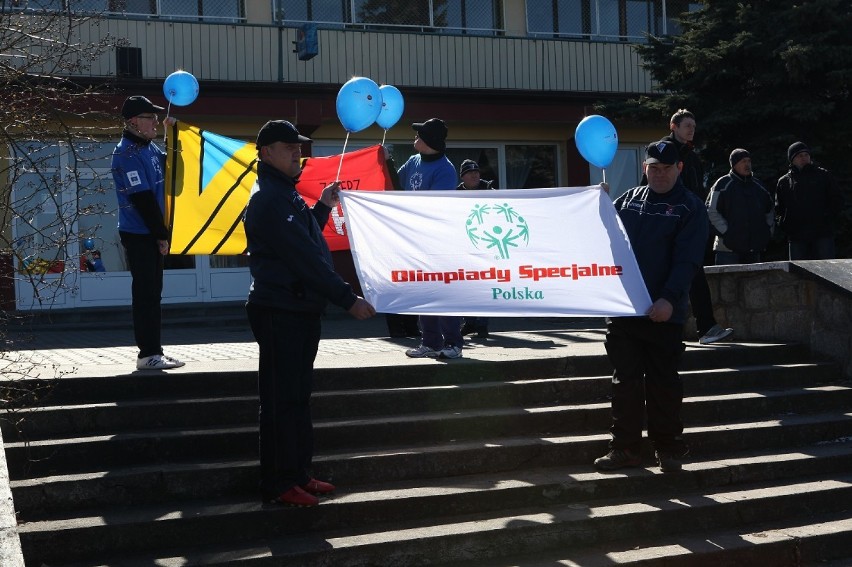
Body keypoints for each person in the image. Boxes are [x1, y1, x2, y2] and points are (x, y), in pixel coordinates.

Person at [244, 119, 376, 507]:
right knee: (280, 401)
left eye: (298, 146)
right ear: (266, 152)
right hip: (279, 310)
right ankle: (279, 483)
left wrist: (323, 206)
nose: (297, 153)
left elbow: (306, 239)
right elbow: (304, 259)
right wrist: (347, 298)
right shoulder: (268, 197)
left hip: (297, 309)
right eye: (288, 147)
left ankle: (299, 474)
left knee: (297, 398)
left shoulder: (285, 193)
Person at [595, 140, 709, 474]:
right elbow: (602, 235)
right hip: (625, 312)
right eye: (653, 168)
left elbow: (687, 260)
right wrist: (598, 203)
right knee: (625, 383)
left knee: (664, 384)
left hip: (663, 315)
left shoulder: (690, 207)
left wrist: (668, 299)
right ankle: (625, 449)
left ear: (679, 169)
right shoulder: (628, 201)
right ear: (645, 168)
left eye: (666, 168)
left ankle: (668, 448)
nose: (659, 174)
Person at [644, 109, 732, 345]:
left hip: (690, 223)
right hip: (667, 223)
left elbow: (698, 191)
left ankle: (706, 327)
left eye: (694, 125)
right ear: (673, 126)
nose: (692, 129)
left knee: (694, 273)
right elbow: (649, 187)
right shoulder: (662, 151)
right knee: (677, 275)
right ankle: (694, 327)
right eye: (687, 125)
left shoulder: (691, 156)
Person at [112, 95, 185, 370]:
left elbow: (176, 167)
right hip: (138, 233)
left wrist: (173, 134)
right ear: (133, 122)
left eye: (155, 117)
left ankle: (155, 352)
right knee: (146, 295)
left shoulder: (149, 148)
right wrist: (161, 235)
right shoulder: (125, 153)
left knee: (154, 294)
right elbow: (143, 199)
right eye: (149, 117)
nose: (155, 121)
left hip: (150, 232)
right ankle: (148, 355)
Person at [392, 118, 464, 359]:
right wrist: (384, 161)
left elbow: (433, 207)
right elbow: (394, 183)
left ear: (430, 140)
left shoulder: (446, 169)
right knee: (424, 291)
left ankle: (453, 343)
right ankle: (431, 342)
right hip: (417, 240)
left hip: (439, 240)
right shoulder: (414, 160)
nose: (414, 137)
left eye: (419, 134)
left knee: (442, 291)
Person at [776, 142, 844, 260]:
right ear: (792, 159)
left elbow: (836, 200)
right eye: (799, 156)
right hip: (797, 236)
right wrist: (786, 225)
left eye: (806, 155)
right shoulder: (784, 182)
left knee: (827, 271)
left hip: (822, 234)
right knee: (798, 273)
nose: (804, 158)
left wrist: (826, 218)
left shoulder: (823, 175)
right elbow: (779, 208)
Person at [706, 149, 774, 265]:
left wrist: (765, 233)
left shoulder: (759, 187)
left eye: (749, 161)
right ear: (734, 164)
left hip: (753, 250)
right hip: (727, 250)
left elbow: (770, 212)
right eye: (743, 161)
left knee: (752, 283)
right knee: (728, 283)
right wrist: (727, 232)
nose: (747, 164)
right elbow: (711, 211)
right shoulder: (722, 184)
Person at [456, 158, 494, 338]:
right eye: (470, 172)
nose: (475, 175)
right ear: (463, 177)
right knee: (465, 286)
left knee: (484, 286)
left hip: (486, 246)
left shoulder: (491, 192)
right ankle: (469, 322)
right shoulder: (454, 194)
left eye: (477, 172)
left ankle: (482, 324)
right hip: (464, 247)